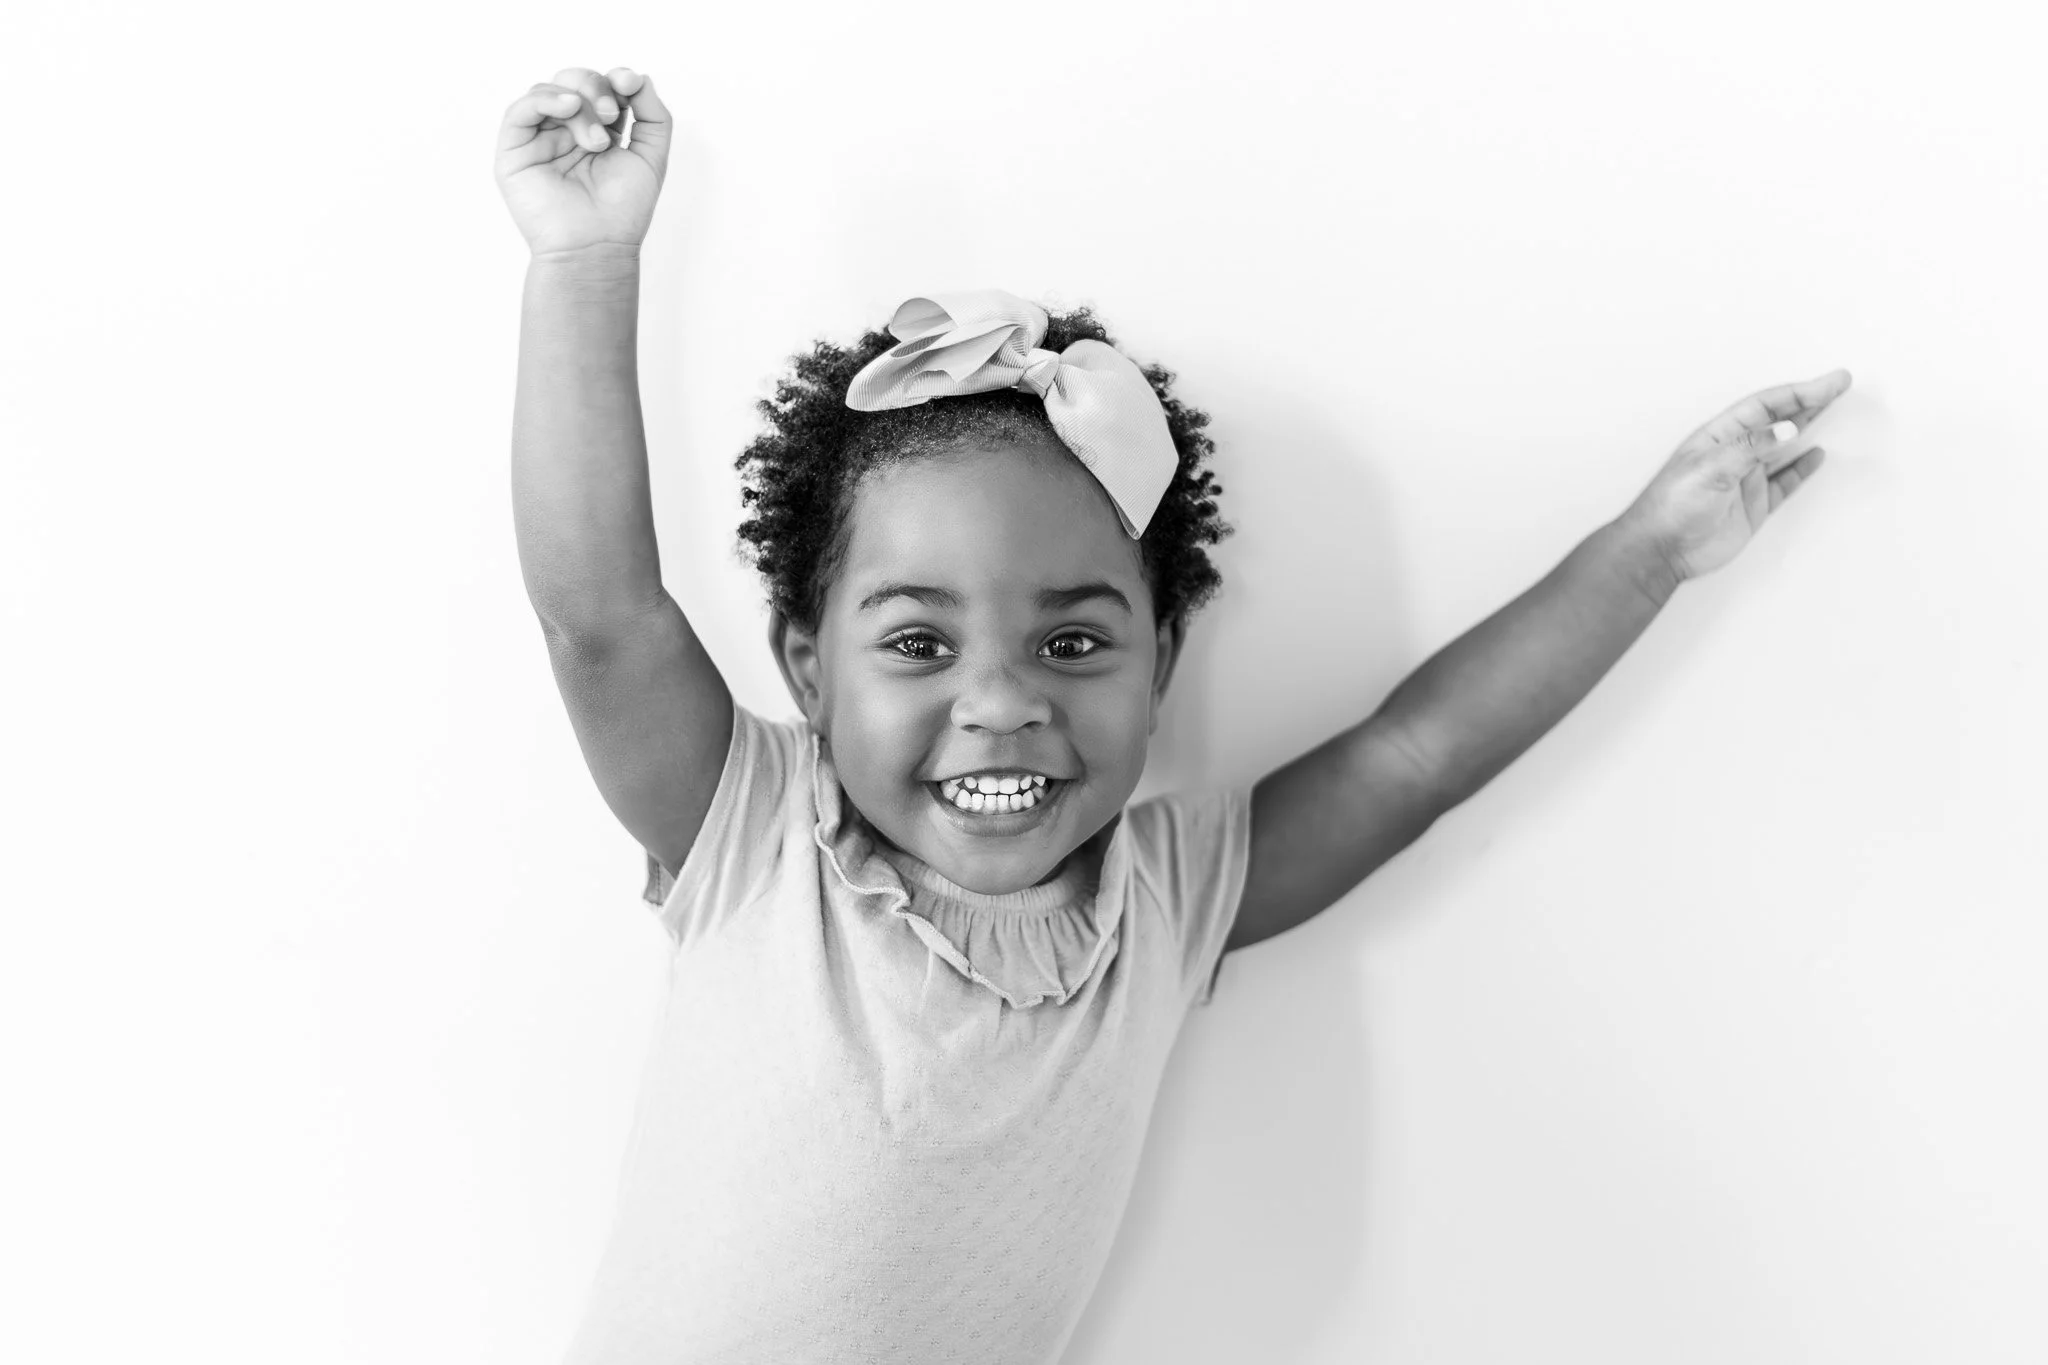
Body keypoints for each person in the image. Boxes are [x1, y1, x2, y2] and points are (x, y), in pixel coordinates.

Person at [493, 63, 1851, 1365]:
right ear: (806, 668)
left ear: (1160, 668)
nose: (1001, 702)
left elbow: (1415, 756)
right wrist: (586, 261)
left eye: (1073, 641)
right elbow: (601, 616)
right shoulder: (757, 837)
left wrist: (1650, 552)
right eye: (917, 642)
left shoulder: (1162, 902)